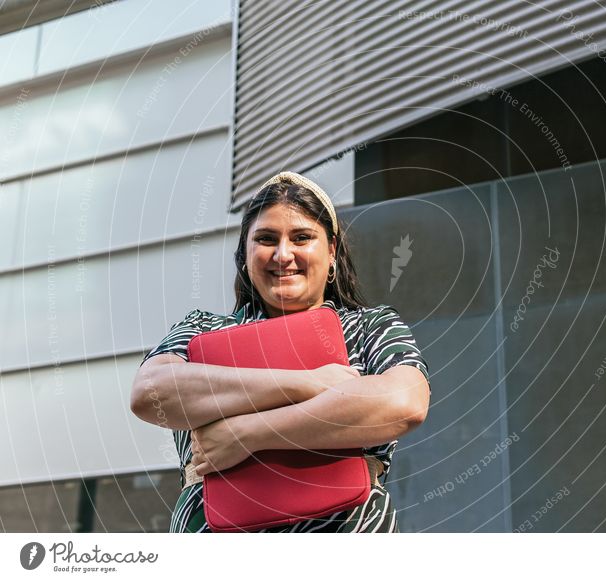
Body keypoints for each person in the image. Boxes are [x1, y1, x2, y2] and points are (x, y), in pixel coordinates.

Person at [130, 171, 431, 533]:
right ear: (245, 253)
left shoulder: (371, 327)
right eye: (266, 239)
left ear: (332, 250)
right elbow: (150, 393)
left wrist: (247, 434)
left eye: (302, 237)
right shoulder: (202, 329)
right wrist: (311, 383)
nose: (283, 254)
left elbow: (404, 402)